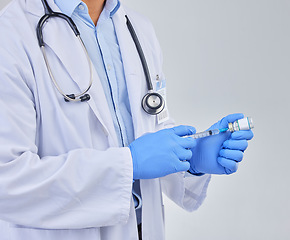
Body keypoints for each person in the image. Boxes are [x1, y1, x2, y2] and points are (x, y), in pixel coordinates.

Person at [0, 0, 254, 239]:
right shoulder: (11, 32)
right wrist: (127, 164)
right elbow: (7, 181)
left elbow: (150, 125)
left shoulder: (137, 28)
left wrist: (191, 161)